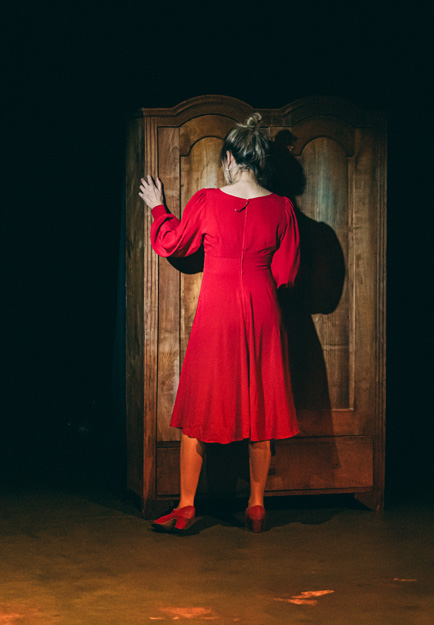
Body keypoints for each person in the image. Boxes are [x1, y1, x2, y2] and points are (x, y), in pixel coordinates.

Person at [138, 113, 300, 533]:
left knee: (199, 406)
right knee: (260, 409)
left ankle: (185, 506)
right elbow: (286, 273)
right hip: (263, 310)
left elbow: (174, 243)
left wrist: (158, 208)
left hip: (217, 310)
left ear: (229, 159)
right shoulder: (282, 208)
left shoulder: (208, 201)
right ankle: (257, 506)